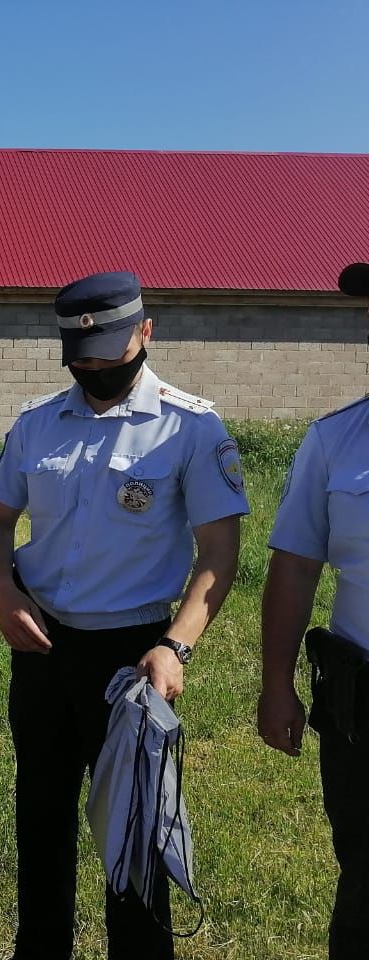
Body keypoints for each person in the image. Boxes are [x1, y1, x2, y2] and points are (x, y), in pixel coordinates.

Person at [0, 270, 248, 960]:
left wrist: (175, 646)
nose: (95, 369)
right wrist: (6, 596)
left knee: (135, 825)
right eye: (81, 357)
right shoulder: (37, 423)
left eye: (110, 354)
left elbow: (219, 552)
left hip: (133, 654)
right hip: (41, 645)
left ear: (145, 333)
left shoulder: (190, 426)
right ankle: (41, 949)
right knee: (41, 811)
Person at [257, 260, 369, 959]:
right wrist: (276, 685)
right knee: (363, 877)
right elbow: (294, 565)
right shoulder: (336, 441)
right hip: (364, 704)